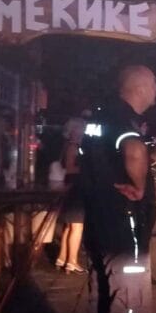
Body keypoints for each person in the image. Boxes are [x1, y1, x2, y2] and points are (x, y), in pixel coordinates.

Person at [78, 64, 156, 313]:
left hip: (101, 230)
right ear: (140, 87)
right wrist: (141, 187)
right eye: (155, 84)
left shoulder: (98, 119)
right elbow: (133, 150)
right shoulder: (123, 121)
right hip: (124, 237)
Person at [54, 116, 87, 273]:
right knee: (77, 226)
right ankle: (72, 261)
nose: (83, 131)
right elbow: (69, 168)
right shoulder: (73, 146)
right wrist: (89, 169)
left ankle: (62, 258)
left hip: (71, 188)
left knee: (69, 226)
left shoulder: (68, 145)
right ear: (74, 130)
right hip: (75, 189)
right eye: (81, 128)